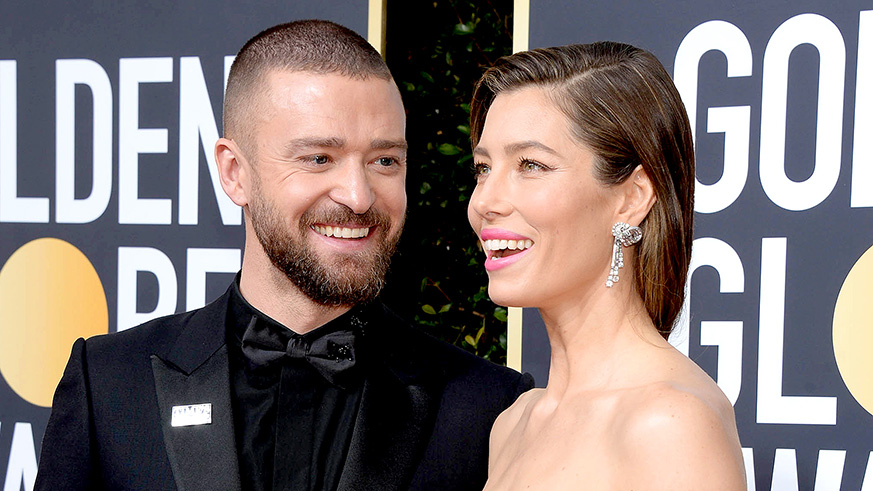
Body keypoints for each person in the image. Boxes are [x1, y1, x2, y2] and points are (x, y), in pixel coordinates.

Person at [35, 20, 533, 491]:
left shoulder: (488, 407)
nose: (358, 196)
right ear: (234, 173)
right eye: (319, 158)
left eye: (385, 161)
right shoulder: (110, 384)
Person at [467, 42, 746, 489]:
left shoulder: (670, 424)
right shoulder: (514, 424)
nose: (484, 202)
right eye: (482, 168)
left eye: (531, 165)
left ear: (632, 197)